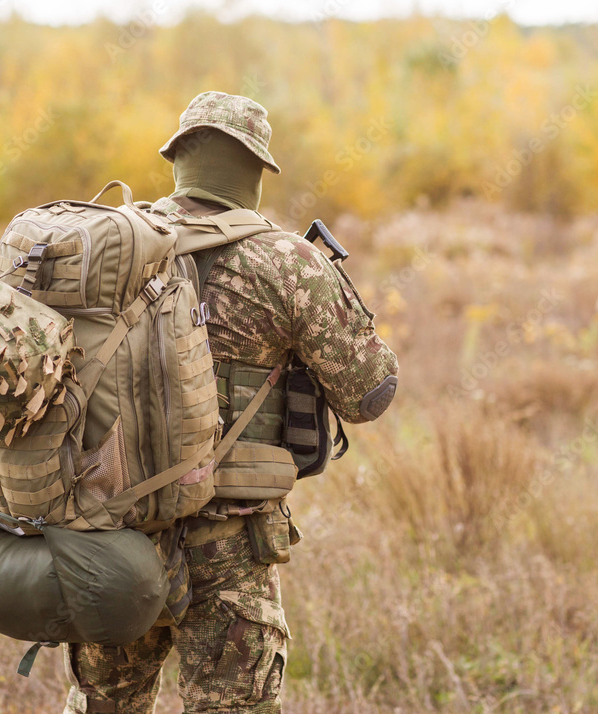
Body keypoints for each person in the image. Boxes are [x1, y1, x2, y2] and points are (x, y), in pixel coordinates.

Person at [63, 91, 399, 714]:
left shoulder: (108, 248)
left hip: (112, 534)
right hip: (229, 545)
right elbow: (370, 392)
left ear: (178, 159)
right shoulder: (286, 261)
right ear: (256, 170)